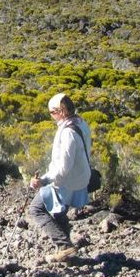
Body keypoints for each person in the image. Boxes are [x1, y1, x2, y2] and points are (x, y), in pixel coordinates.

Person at [28, 92, 92, 263]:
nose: (52, 116)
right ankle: (66, 255)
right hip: (80, 177)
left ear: (61, 111)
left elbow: (63, 167)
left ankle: (64, 246)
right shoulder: (81, 123)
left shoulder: (67, 133)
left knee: (36, 209)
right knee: (58, 211)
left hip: (66, 181)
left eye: (52, 113)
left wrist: (43, 180)